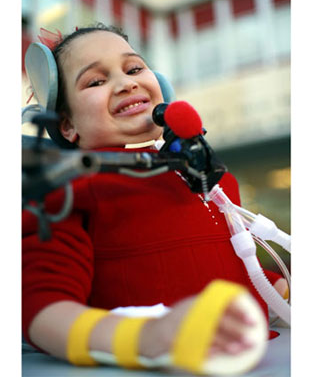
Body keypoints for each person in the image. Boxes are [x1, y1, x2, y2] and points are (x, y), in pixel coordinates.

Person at [22, 23, 287, 374]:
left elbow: (230, 266)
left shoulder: (213, 183)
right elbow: (41, 308)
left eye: (134, 69)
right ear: (67, 125)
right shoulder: (67, 188)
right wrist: (147, 336)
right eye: (96, 81)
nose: (127, 82)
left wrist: (276, 288)